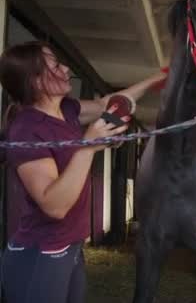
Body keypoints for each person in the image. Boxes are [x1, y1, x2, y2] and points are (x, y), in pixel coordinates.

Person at [0, 40, 166, 303]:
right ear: (37, 82)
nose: (66, 69)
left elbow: (107, 104)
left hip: (71, 247)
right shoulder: (26, 129)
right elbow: (54, 206)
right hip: (41, 255)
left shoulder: (65, 110)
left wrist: (159, 79)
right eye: (55, 65)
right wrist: (89, 146)